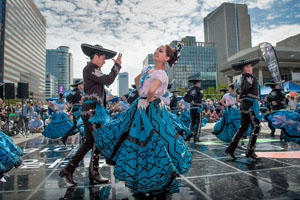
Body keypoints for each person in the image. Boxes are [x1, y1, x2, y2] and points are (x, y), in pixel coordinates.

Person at [92, 43, 191, 197]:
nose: (156, 52)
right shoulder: (150, 68)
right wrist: (143, 95)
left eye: (160, 51)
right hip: (143, 105)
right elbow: (138, 79)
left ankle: (160, 173)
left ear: (166, 58)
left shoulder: (161, 74)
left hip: (151, 108)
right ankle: (151, 175)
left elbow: (151, 90)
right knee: (147, 140)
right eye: (157, 49)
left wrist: (146, 97)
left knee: (152, 140)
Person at [59, 43, 122, 185]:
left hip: (91, 110)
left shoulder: (92, 69)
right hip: (92, 112)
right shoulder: (91, 69)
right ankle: (93, 173)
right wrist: (117, 65)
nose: (105, 61)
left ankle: (68, 169)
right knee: (98, 140)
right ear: (97, 56)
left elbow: (104, 83)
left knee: (89, 142)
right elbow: (108, 80)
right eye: (103, 58)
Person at [225, 58, 262, 161]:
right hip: (250, 105)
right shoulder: (249, 77)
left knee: (243, 127)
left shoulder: (243, 77)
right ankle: (250, 151)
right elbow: (245, 88)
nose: (251, 67)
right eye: (250, 66)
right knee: (256, 126)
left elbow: (241, 89)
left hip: (246, 105)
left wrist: (241, 95)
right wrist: (242, 95)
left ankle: (231, 148)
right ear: (246, 68)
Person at [61, 79, 84, 145]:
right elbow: (68, 97)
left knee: (77, 125)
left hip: (80, 110)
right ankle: (64, 137)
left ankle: (64, 137)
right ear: (79, 85)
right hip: (77, 110)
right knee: (77, 125)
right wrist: (71, 104)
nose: (83, 85)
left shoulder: (80, 91)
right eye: (82, 84)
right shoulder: (75, 91)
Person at [183, 77, 204, 142]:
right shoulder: (199, 89)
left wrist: (190, 101)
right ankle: (196, 137)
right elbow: (201, 96)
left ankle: (189, 136)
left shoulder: (189, 90)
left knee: (192, 122)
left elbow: (184, 97)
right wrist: (195, 101)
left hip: (192, 108)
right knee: (199, 122)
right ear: (197, 83)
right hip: (198, 107)